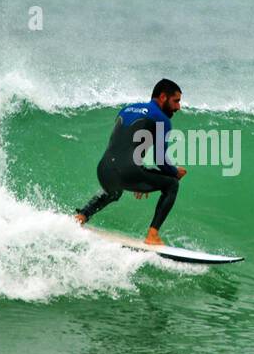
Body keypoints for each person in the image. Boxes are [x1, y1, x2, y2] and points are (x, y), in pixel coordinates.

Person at [74, 78, 188, 244]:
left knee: (114, 191)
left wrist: (140, 174)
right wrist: (175, 173)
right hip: (129, 171)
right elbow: (160, 159)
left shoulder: (126, 109)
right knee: (171, 184)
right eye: (176, 101)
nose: (178, 107)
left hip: (104, 170)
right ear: (163, 97)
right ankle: (152, 235)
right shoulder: (161, 118)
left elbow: (125, 146)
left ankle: (82, 215)